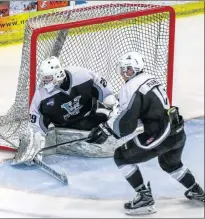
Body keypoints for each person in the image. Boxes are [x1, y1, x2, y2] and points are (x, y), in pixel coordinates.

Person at [87, 51, 204, 215]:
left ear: (136, 69)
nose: (123, 74)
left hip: (160, 134)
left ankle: (145, 199)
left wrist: (105, 129)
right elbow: (143, 111)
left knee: (121, 156)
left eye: (127, 70)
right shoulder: (150, 78)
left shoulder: (130, 87)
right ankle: (197, 191)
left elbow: (127, 121)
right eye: (122, 70)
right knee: (170, 164)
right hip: (176, 130)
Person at [12, 56, 118, 165]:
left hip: (91, 115)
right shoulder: (41, 97)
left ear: (58, 75)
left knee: (110, 108)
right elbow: (36, 125)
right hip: (66, 127)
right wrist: (35, 145)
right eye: (44, 77)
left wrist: (112, 105)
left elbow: (105, 92)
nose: (44, 81)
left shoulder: (82, 75)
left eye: (48, 77)